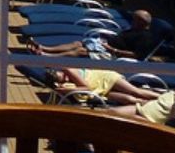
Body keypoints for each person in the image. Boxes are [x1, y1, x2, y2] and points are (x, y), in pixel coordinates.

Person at [30, 11, 162, 60]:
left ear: (141, 23)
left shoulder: (145, 38)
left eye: (134, 20)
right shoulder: (134, 29)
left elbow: (137, 56)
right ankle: (44, 48)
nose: (131, 22)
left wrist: (113, 50)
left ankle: (48, 57)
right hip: (105, 44)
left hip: (113, 54)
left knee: (80, 51)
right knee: (77, 43)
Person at [49, 67, 166, 106]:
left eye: (64, 76)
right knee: (130, 100)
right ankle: (160, 105)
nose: (66, 79)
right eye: (62, 80)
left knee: (136, 92)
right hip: (101, 91)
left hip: (106, 78)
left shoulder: (69, 70)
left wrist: (68, 88)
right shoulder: (63, 85)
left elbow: (86, 88)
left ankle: (166, 97)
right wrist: (64, 88)